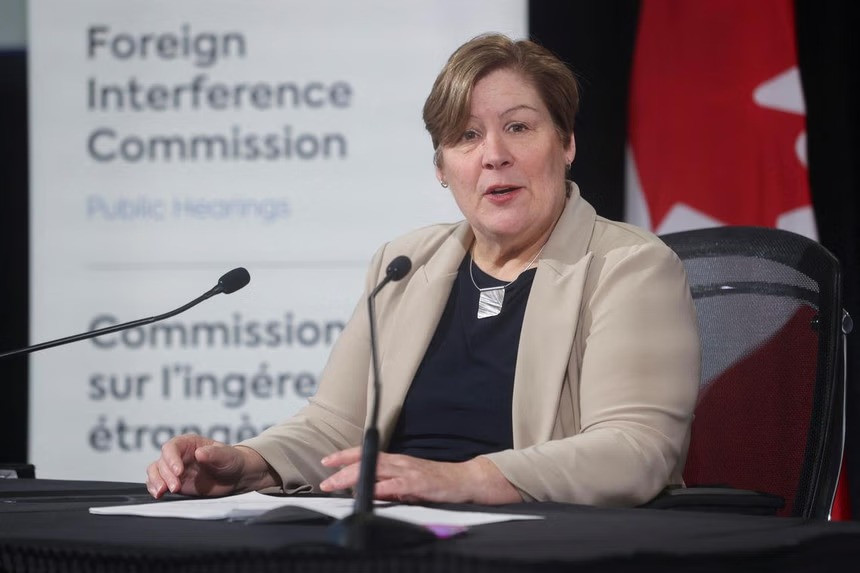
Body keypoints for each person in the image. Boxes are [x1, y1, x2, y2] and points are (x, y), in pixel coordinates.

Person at [146, 33, 700, 507]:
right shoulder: (405, 265)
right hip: (395, 534)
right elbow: (336, 426)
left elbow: (635, 449)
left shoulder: (628, 268)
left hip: (540, 544)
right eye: (466, 136)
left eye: (519, 127)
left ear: (567, 143)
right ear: (441, 168)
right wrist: (248, 463)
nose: (494, 155)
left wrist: (466, 480)